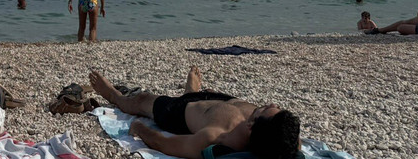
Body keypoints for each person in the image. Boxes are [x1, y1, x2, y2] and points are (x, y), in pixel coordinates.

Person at [89, 67, 300, 159]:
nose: (270, 103)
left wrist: (140, 129)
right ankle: (193, 92)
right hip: (220, 102)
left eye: (264, 109)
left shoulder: (217, 137)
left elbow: (166, 144)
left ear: (251, 126)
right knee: (207, 95)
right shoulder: (282, 136)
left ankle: (114, 96)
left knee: (142, 100)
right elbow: (293, 146)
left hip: (182, 112)